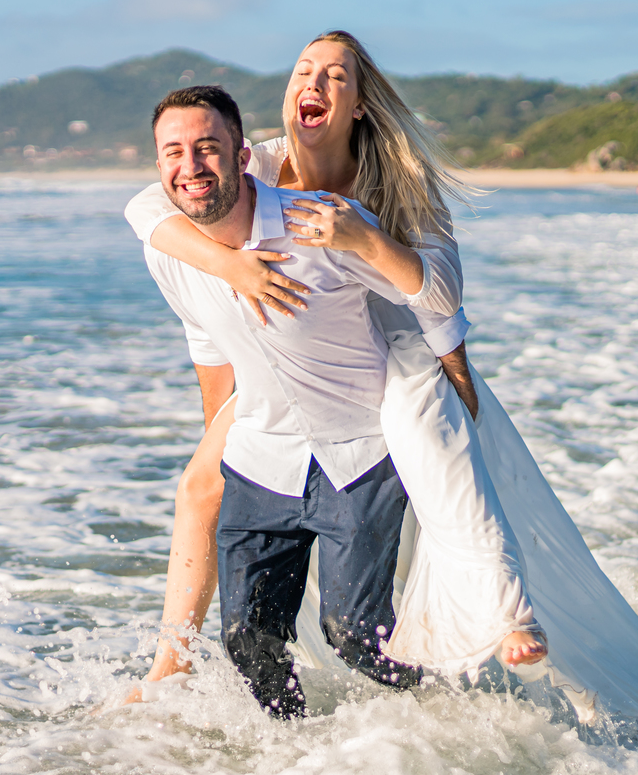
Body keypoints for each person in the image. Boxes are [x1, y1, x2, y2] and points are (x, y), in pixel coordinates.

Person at [125, 32, 638, 723]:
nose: (313, 83)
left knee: (437, 468)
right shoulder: (253, 169)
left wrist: (433, 337)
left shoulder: (390, 185)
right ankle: (176, 670)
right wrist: (229, 271)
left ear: (359, 105)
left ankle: (501, 620)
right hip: (280, 381)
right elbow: (160, 231)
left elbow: (441, 297)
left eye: (335, 76)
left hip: (396, 358)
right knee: (202, 489)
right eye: (303, 70)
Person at [138, 84, 503, 717]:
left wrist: (459, 383)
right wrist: (216, 440)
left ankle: (445, 713)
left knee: (354, 634)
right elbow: (206, 340)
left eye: (207, 148)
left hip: (357, 454)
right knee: (247, 642)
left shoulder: (321, 224)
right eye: (174, 152)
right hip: (262, 458)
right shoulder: (168, 252)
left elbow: (424, 297)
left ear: (243, 156)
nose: (190, 166)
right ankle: (298, 747)